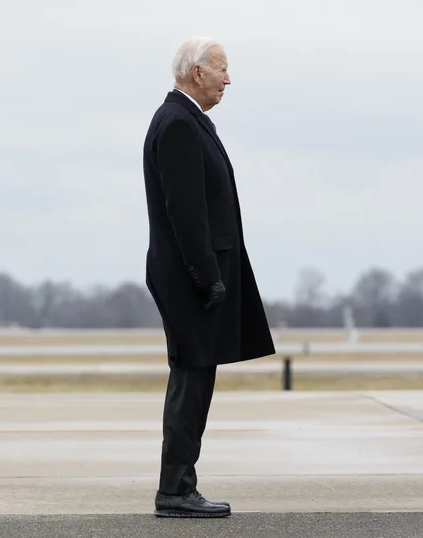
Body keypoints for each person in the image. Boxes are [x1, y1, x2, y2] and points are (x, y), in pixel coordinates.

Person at [141, 37, 276, 518]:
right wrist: (206, 276)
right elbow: (186, 214)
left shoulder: (188, 120)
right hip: (189, 277)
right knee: (191, 381)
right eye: (222, 69)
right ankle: (175, 490)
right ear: (196, 73)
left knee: (194, 380)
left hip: (194, 275)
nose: (228, 78)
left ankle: (179, 485)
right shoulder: (178, 124)